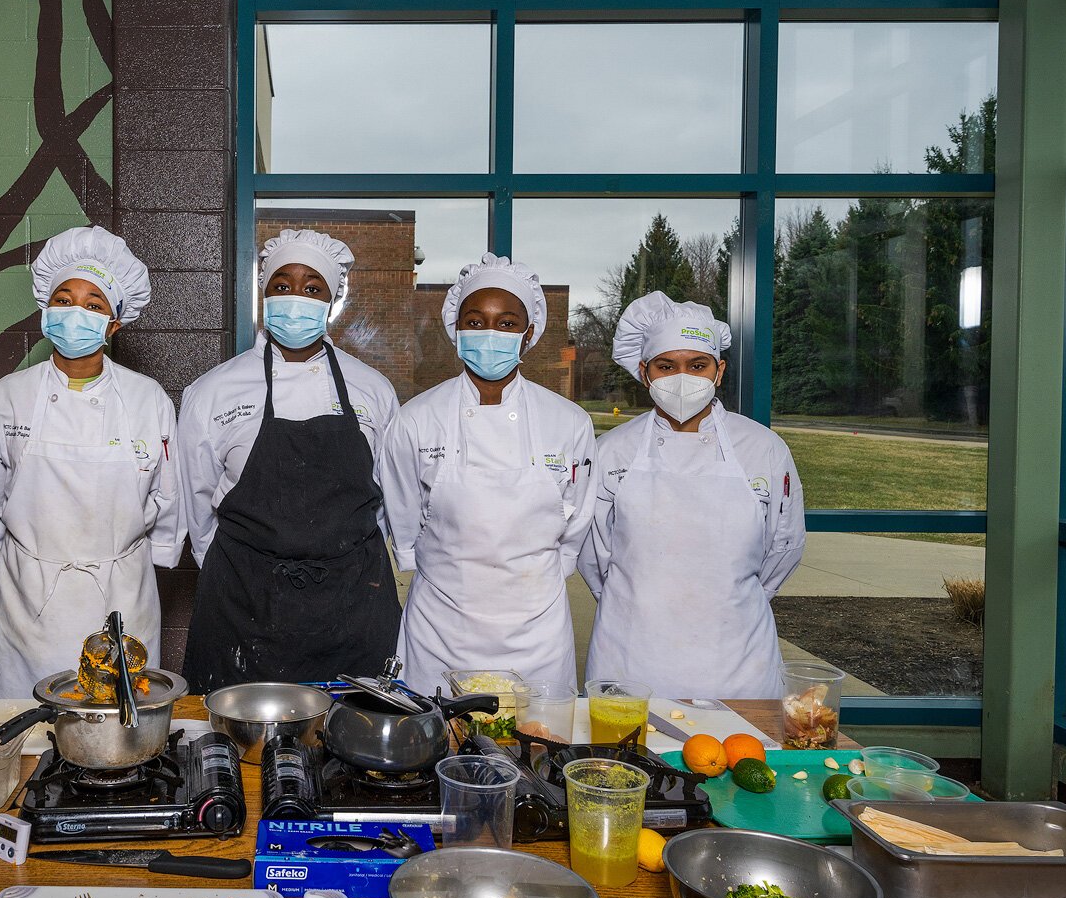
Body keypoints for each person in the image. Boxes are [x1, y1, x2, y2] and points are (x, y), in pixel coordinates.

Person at [179, 228, 401, 692]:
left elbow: (386, 498)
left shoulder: (373, 390)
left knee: (354, 745)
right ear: (263, 295)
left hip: (352, 602)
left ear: (330, 301)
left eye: (311, 288)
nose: (295, 298)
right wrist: (241, 570)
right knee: (241, 751)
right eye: (282, 286)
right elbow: (195, 504)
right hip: (245, 604)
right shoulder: (213, 391)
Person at [380, 254, 597, 693]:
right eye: (475, 322)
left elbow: (575, 528)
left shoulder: (569, 422)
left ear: (528, 333)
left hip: (537, 636)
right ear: (456, 331)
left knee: (537, 748)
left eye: (507, 323)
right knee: (434, 746)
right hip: (441, 631)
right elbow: (401, 520)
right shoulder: (416, 420)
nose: (490, 334)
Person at [0, 227, 182, 699]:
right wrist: (33, 553)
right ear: (46, 311)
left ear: (114, 324)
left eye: (94, 305)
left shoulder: (145, 397)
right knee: (24, 729)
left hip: (121, 593)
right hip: (28, 596)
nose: (76, 313)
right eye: (64, 299)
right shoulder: (10, 395)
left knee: (120, 731)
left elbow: (167, 496)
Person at [578, 291, 805, 699]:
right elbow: (593, 554)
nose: (682, 377)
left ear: (718, 372)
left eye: (697, 365)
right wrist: (636, 601)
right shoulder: (613, 450)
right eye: (667, 366)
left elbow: (784, 547)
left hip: (737, 664)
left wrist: (730, 600)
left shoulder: (763, 449)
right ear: (645, 372)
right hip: (630, 656)